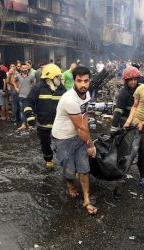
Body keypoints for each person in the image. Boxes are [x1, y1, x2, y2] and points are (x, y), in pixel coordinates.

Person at [51, 66, 97, 215]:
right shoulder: (69, 99)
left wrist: (87, 140)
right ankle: (70, 184)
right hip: (62, 138)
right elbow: (81, 128)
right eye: (79, 81)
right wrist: (91, 145)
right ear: (73, 81)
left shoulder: (87, 94)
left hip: (78, 136)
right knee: (69, 170)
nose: (83, 85)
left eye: (86, 81)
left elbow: (85, 116)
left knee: (84, 168)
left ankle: (87, 200)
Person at [24, 64, 66, 169]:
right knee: (45, 145)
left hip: (59, 126)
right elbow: (28, 102)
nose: (60, 79)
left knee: (62, 146)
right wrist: (30, 116)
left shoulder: (62, 89)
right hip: (44, 125)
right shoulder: (38, 87)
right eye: (57, 77)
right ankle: (49, 160)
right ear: (49, 77)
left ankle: (66, 162)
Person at [111, 66, 140, 131]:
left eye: (135, 79)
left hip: (139, 120)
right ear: (126, 81)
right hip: (126, 121)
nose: (133, 82)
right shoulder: (123, 94)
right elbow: (118, 111)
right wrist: (114, 127)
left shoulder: (141, 90)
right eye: (131, 80)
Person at [12, 63, 35, 130]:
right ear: (21, 68)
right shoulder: (18, 76)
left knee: (29, 111)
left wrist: (32, 90)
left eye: (25, 68)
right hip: (21, 96)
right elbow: (13, 81)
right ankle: (23, 124)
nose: (24, 69)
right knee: (22, 111)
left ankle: (28, 123)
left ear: (27, 68)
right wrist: (16, 88)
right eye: (23, 68)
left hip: (29, 97)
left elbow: (33, 83)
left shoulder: (31, 76)